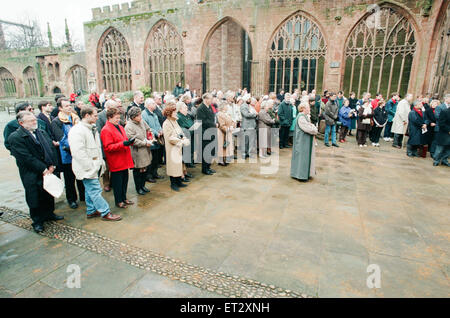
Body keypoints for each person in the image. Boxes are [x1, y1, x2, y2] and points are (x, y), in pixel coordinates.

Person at [8, 111, 62, 233]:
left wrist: (52, 165)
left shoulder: (41, 132)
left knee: (48, 194)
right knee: (34, 197)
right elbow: (25, 157)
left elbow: (50, 149)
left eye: (34, 120)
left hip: (48, 170)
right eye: (31, 121)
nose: (34, 122)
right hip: (32, 173)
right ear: (21, 123)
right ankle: (37, 221)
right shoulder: (15, 137)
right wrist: (43, 169)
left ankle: (49, 214)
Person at [68, 106, 122, 221]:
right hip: (87, 167)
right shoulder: (77, 130)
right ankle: (105, 212)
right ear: (87, 116)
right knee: (95, 190)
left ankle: (91, 211)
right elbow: (78, 152)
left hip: (94, 166)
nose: (98, 118)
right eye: (95, 115)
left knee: (90, 190)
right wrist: (90, 167)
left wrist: (99, 163)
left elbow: (97, 147)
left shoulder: (92, 128)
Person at [51, 98, 85, 209]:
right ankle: (71, 199)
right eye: (66, 106)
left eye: (70, 105)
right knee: (70, 179)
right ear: (60, 108)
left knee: (81, 176)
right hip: (67, 154)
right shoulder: (56, 122)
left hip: (79, 151)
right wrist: (74, 147)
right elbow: (62, 138)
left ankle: (83, 195)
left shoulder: (75, 118)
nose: (69, 107)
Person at [101, 107, 135, 209]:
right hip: (116, 160)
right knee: (117, 183)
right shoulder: (106, 130)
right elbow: (108, 147)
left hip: (124, 158)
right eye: (116, 118)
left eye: (119, 118)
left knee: (125, 180)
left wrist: (128, 141)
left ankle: (124, 198)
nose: (118, 120)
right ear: (109, 118)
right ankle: (118, 200)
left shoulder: (119, 127)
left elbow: (123, 139)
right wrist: (123, 144)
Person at [125, 107, 153, 195]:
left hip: (146, 149)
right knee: (138, 171)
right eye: (138, 115)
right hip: (137, 151)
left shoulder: (141, 121)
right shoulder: (129, 126)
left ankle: (143, 186)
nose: (140, 116)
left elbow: (148, 129)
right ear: (133, 117)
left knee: (145, 169)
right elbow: (132, 140)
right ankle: (138, 188)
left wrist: (150, 136)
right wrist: (144, 143)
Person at [162, 103, 190, 191]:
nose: (176, 113)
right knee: (173, 166)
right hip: (172, 148)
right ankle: (173, 184)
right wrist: (181, 141)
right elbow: (169, 137)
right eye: (174, 112)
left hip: (178, 147)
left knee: (178, 165)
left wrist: (184, 138)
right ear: (169, 113)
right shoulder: (166, 123)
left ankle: (179, 182)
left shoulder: (175, 121)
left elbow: (180, 132)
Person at [290, 103, 318, 182]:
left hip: (305, 140)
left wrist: (312, 127)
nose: (309, 109)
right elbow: (308, 128)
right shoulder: (301, 117)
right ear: (303, 108)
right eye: (308, 108)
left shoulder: (305, 117)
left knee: (304, 158)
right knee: (302, 158)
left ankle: (304, 174)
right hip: (302, 141)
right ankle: (300, 175)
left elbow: (310, 125)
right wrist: (314, 129)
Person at [142, 98, 164, 182]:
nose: (155, 105)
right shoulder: (144, 114)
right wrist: (156, 132)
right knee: (150, 159)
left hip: (157, 139)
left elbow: (157, 124)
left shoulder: (154, 114)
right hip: (150, 139)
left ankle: (155, 173)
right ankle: (149, 175)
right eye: (153, 103)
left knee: (156, 158)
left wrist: (160, 130)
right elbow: (147, 127)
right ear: (148, 105)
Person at [196, 93, 217, 175]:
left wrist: (215, 123)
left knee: (211, 151)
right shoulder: (200, 108)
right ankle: (205, 169)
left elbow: (213, 117)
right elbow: (202, 121)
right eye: (210, 99)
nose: (211, 100)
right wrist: (213, 124)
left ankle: (208, 166)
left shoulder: (210, 107)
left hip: (211, 131)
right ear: (205, 99)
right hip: (205, 132)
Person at [177, 101, 195, 168]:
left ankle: (190, 162)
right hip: (186, 136)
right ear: (180, 109)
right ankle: (187, 164)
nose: (187, 108)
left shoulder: (187, 115)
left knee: (191, 149)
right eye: (185, 107)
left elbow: (191, 123)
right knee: (186, 151)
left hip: (192, 134)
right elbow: (180, 128)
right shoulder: (179, 117)